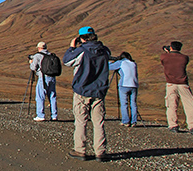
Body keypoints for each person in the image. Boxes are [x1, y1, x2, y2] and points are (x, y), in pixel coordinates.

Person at [63, 26, 111, 162]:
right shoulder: (105, 50)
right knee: (99, 122)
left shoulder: (81, 51)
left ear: (81, 38)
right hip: (99, 91)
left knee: (81, 121)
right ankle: (100, 152)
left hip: (82, 90)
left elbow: (67, 61)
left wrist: (71, 48)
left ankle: (80, 150)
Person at [161, 41, 193, 134]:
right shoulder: (184, 58)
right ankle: (192, 126)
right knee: (190, 105)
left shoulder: (164, 57)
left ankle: (173, 125)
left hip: (170, 84)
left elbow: (164, 61)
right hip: (183, 84)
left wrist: (168, 52)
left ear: (171, 48)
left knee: (171, 105)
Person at [29, 41, 58, 122]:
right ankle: (54, 115)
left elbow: (33, 68)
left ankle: (40, 115)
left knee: (40, 96)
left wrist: (31, 63)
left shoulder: (37, 56)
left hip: (43, 78)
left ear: (39, 48)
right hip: (52, 77)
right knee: (52, 96)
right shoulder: (51, 55)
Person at [109, 52, 139, 127]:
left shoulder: (121, 62)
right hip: (134, 85)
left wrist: (110, 62)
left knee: (124, 103)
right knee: (133, 104)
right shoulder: (133, 63)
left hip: (124, 85)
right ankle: (134, 121)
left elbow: (110, 67)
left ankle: (126, 121)